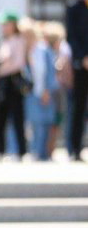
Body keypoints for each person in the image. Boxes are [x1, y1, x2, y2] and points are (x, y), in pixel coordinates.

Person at [22, 20, 58, 161]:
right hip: (30, 93)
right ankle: (35, 151)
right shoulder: (25, 52)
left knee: (45, 123)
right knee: (33, 123)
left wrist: (47, 90)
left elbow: (50, 72)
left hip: (44, 91)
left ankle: (43, 153)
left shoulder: (44, 50)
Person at [0, 10, 28, 159]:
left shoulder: (18, 41)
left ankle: (21, 151)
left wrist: (0, 70)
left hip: (13, 82)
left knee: (17, 118)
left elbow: (18, 63)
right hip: (3, 82)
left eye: (6, 24)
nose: (3, 27)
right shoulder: (5, 41)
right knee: (0, 117)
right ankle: (0, 150)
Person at [65, 0, 88, 161]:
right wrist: (82, 58)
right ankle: (74, 149)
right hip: (81, 65)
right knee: (78, 107)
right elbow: (71, 36)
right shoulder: (74, 5)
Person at [44, 21, 71, 158]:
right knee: (50, 122)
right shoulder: (46, 52)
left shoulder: (62, 50)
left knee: (56, 121)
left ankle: (50, 150)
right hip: (50, 91)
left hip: (58, 90)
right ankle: (47, 150)